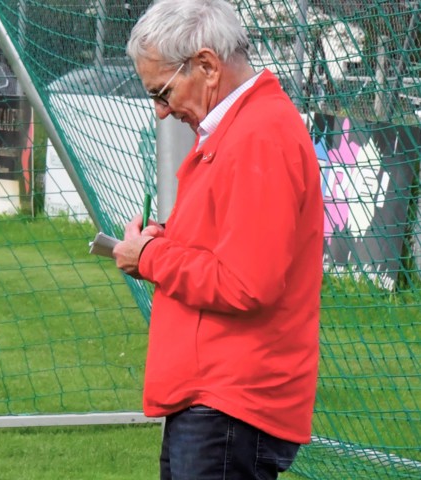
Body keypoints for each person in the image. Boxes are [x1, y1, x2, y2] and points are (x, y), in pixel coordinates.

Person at [114, 0, 323, 478]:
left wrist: (150, 256)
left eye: (162, 93)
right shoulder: (243, 129)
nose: (162, 113)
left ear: (207, 65)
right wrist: (165, 243)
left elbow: (246, 282)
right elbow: (230, 249)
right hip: (216, 400)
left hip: (230, 403)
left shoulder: (258, 135)